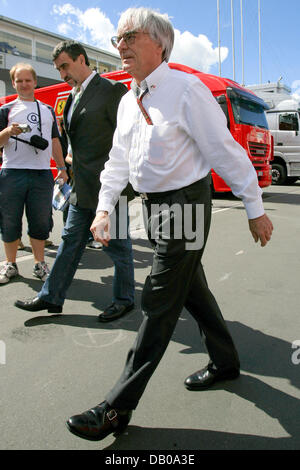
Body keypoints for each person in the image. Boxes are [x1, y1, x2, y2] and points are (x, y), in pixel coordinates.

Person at [64, 8, 274, 441]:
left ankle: (116, 407)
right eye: (117, 36)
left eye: (130, 36)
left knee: (159, 298)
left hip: (188, 205)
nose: (120, 44)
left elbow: (223, 151)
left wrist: (254, 206)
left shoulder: (185, 90)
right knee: (191, 289)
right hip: (155, 207)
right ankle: (226, 362)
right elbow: (117, 163)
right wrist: (104, 210)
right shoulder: (127, 100)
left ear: (159, 43)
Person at [14, 41, 135, 322]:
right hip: (81, 188)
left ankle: (124, 300)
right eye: (58, 69)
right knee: (69, 243)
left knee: (118, 246)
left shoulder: (112, 91)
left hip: (110, 188)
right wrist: (66, 165)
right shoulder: (70, 97)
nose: (62, 74)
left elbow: (129, 137)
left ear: (82, 59)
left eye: (65, 66)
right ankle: (51, 297)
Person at [0, 63, 67, 284]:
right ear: (14, 83)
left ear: (35, 82)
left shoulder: (47, 110)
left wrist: (62, 167)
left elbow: (55, 141)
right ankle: (11, 265)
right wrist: (9, 131)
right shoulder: (6, 110)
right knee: (9, 220)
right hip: (12, 172)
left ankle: (40, 264)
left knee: (39, 220)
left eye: (28, 80)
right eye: (19, 80)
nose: (24, 84)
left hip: (41, 174)